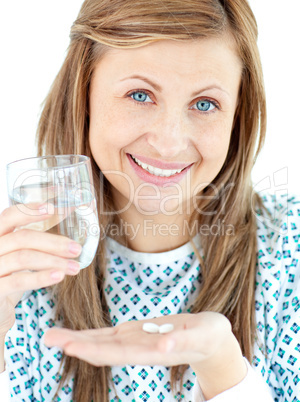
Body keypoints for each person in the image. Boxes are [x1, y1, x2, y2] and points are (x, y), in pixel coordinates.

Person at [0, 0, 299, 400]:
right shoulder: (20, 272)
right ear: (83, 92)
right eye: (140, 95)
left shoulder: (291, 252)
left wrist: (225, 373)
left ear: (237, 117)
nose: (169, 141)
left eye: (205, 104)